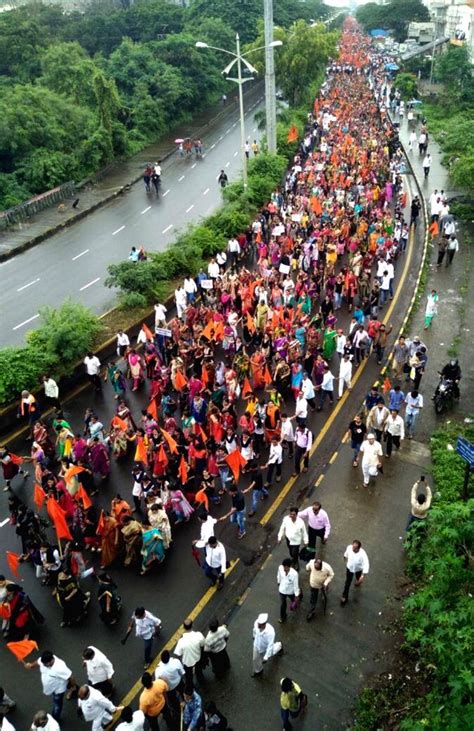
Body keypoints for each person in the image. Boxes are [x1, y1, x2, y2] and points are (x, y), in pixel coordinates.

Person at [23, 651, 77, 722]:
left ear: (51, 660)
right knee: (71, 687)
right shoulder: (44, 661)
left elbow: (71, 677)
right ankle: (75, 691)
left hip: (58, 689)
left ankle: (55, 718)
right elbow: (38, 662)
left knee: (57, 704)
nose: (44, 665)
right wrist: (31, 665)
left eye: (45, 664)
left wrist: (73, 686)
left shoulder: (60, 667)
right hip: (51, 686)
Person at [174, 619, 205, 685]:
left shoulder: (181, 641)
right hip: (198, 658)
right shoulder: (199, 635)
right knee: (199, 672)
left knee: (188, 677)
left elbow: (178, 654)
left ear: (184, 627)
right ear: (192, 625)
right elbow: (203, 645)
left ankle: (191, 687)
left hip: (187, 662)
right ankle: (202, 682)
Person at [251, 613, 283, 677]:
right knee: (255, 659)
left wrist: (266, 657)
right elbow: (254, 630)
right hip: (256, 645)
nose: (258, 625)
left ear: (264, 624)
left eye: (260, 624)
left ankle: (279, 646)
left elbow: (270, 645)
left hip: (265, 646)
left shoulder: (270, 632)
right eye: (258, 623)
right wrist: (254, 636)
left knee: (273, 650)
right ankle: (258, 671)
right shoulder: (256, 623)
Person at [155, 650, 184, 717]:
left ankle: (178, 711)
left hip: (169, 688)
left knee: (173, 700)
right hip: (178, 682)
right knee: (182, 691)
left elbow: (158, 682)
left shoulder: (158, 670)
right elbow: (181, 672)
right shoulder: (175, 662)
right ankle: (185, 701)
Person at [340, 540, 370, 606]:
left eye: (355, 548)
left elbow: (366, 564)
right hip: (350, 568)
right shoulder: (349, 547)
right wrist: (345, 557)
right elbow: (346, 553)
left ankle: (358, 581)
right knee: (347, 582)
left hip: (358, 569)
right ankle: (345, 596)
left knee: (358, 578)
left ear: (359, 548)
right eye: (353, 547)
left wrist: (362, 576)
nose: (353, 548)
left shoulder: (363, 554)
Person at [277, 558, 301, 623]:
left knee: (294, 601)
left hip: (291, 591)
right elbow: (279, 575)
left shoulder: (295, 574)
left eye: (286, 567)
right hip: (282, 590)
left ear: (289, 566)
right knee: (282, 604)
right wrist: (278, 582)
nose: (284, 569)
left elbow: (296, 585)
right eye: (283, 567)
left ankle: (296, 602)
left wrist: (296, 595)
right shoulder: (280, 568)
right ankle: (283, 617)